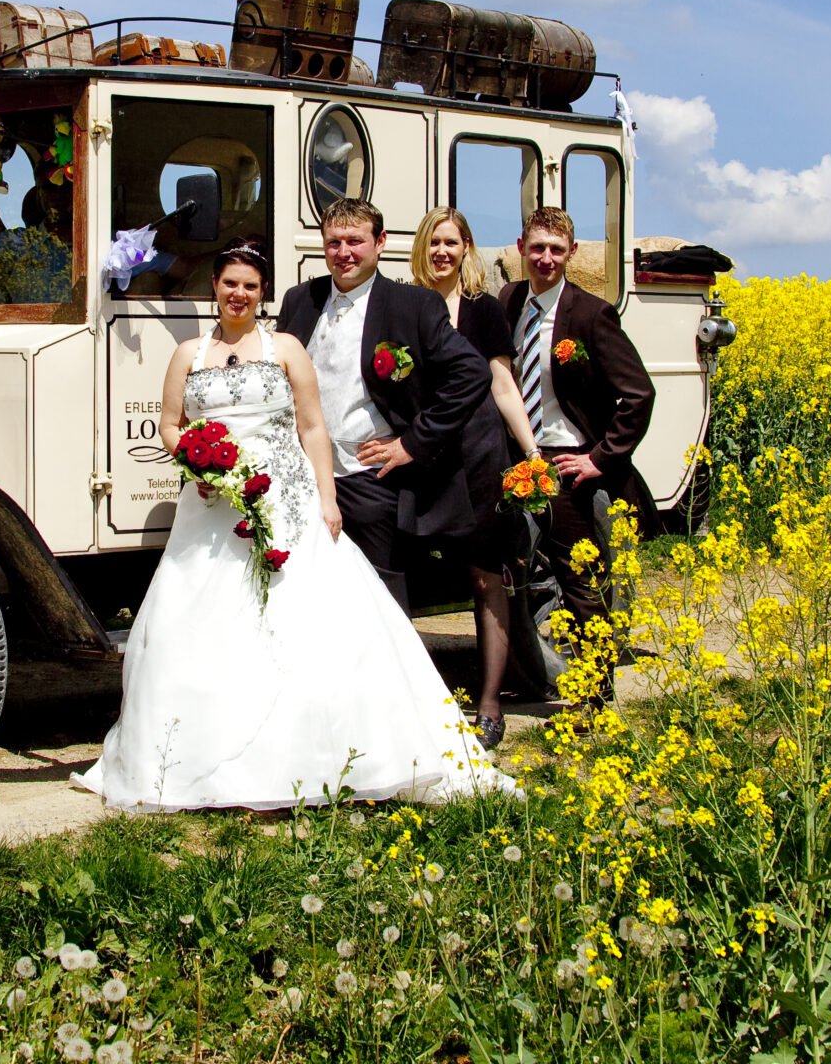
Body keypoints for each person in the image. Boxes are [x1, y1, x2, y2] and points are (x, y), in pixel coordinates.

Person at [75, 238, 517, 810]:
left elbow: (312, 428)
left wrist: (327, 500)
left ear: (262, 295)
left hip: (288, 499)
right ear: (214, 287)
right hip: (213, 506)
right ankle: (199, 760)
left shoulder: (284, 347)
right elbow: (169, 424)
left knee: (301, 621)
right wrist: (197, 462)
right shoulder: (188, 353)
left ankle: (314, 757)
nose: (239, 294)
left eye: (251, 286)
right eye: (230, 283)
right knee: (199, 621)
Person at [275, 199, 510, 616]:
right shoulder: (301, 301)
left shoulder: (413, 305)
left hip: (369, 478)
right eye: (333, 243)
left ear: (380, 243)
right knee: (308, 597)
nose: (343, 252)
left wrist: (413, 443)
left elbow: (472, 373)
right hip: (306, 479)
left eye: (354, 241)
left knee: (380, 604)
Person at [496, 206, 656, 708]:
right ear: (521, 248)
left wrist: (599, 458)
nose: (546, 259)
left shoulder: (591, 314)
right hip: (517, 459)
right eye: (537, 247)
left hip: (567, 464)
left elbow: (639, 394)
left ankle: (595, 697)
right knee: (507, 574)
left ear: (572, 253)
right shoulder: (509, 300)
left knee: (581, 584)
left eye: (556, 250)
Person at [408, 206, 542, 745]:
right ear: (422, 248)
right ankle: (413, 701)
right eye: (433, 241)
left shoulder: (485, 311)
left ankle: (489, 704)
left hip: (481, 450)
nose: (442, 251)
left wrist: (531, 454)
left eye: (452, 242)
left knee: (487, 577)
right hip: (421, 453)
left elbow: (503, 386)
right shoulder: (402, 305)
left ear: (466, 248)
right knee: (402, 575)